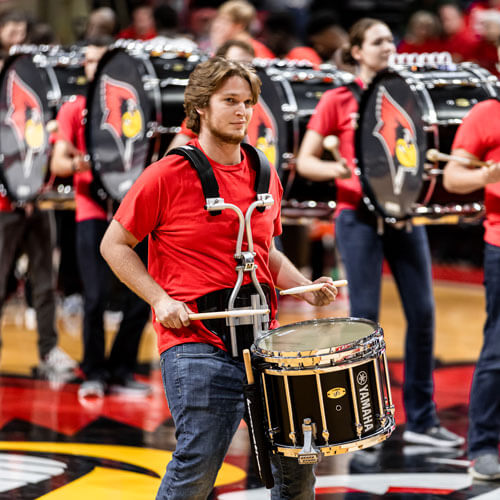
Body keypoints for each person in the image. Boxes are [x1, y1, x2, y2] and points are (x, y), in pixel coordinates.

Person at [100, 56, 339, 499]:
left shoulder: (264, 171)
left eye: (247, 102)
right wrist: (159, 299)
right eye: (230, 101)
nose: (242, 111)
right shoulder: (166, 174)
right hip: (195, 340)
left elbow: (265, 252)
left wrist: (303, 287)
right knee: (199, 461)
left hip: (263, 340)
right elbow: (113, 245)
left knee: (296, 466)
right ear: (201, 108)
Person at [296, 17, 465, 448]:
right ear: (356, 51)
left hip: (403, 220)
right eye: (377, 41)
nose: (387, 47)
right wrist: (337, 168)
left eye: (391, 39)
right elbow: (305, 161)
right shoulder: (337, 99)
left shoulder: (406, 96)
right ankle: (365, 425)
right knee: (364, 322)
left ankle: (423, 420)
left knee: (423, 314)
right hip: (356, 219)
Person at [50, 36, 152, 399]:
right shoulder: (73, 108)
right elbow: (59, 162)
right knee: (93, 298)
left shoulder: (134, 107)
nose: (96, 67)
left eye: (102, 60)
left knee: (141, 297)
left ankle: (121, 369)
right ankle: (92, 370)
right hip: (91, 211)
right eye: (91, 61)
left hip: (131, 213)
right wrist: (89, 163)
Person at [442, 36, 500, 480]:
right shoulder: (486, 113)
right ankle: (482, 446)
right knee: (498, 349)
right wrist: (486, 173)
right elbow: (454, 177)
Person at [166, 38, 255, 152]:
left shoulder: (259, 107)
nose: (242, 73)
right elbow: (172, 155)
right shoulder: (208, 110)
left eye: (249, 66)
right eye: (236, 65)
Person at [209, 0, 275, 59]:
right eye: (218, 19)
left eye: (224, 21)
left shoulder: (252, 50)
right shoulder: (227, 45)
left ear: (239, 25)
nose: (217, 25)